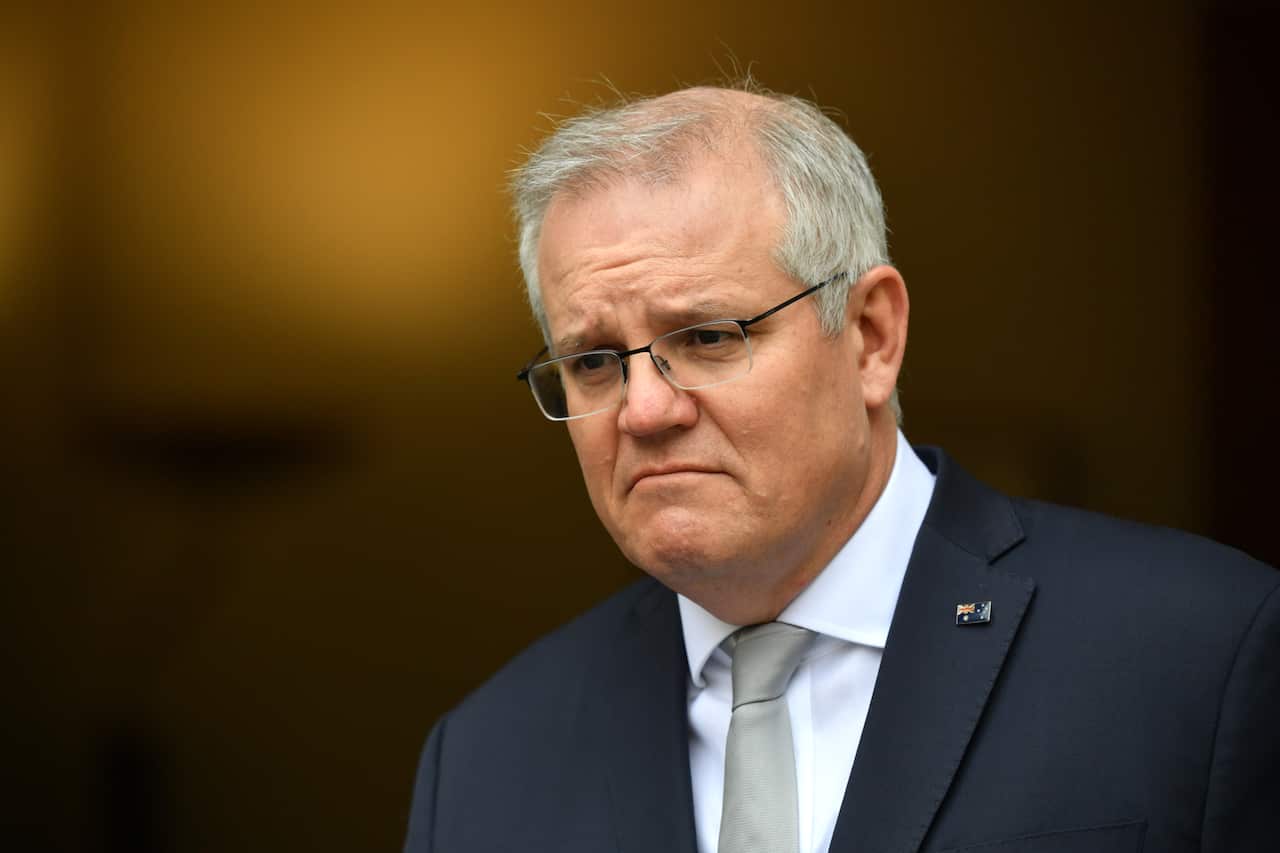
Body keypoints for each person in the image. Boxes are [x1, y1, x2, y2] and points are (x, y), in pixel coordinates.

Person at [403, 84, 1279, 853]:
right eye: (593, 361)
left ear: (871, 337)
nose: (643, 409)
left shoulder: (1199, 652)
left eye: (707, 337)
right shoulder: (485, 760)